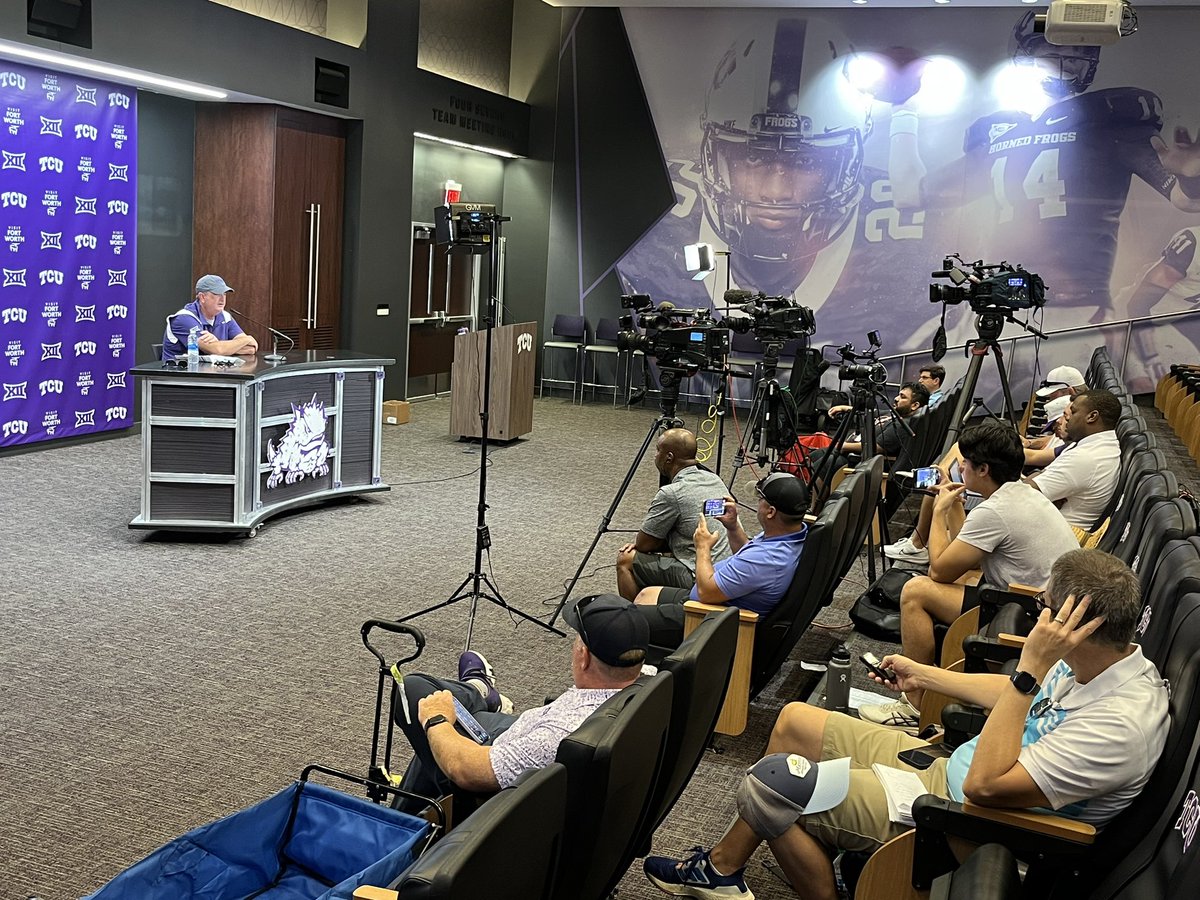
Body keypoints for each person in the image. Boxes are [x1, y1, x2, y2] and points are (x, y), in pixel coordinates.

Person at [642, 549, 1167, 900]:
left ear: (1077, 623)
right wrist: (927, 674)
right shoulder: (1096, 662)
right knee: (796, 721)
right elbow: (1013, 697)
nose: (1036, 618)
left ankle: (789, 877)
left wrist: (1028, 669)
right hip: (955, 771)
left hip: (968, 821)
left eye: (1045, 608)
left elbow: (986, 787)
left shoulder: (1119, 726)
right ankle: (775, 860)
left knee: (770, 784)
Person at [888, 10, 1200, 325]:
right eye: (1058, 49)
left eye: (1080, 52)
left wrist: (1191, 176)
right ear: (1030, 53)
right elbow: (909, 196)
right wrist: (903, 109)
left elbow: (1186, 199)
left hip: (1073, 313)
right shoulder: (1003, 131)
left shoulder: (1108, 122)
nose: (1069, 60)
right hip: (999, 308)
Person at [862, 421, 1078, 725]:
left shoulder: (995, 512)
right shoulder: (1022, 492)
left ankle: (914, 704)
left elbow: (939, 570)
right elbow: (968, 559)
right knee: (959, 579)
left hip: (1028, 614)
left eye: (965, 464)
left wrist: (939, 512)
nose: (960, 469)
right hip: (1037, 606)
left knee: (916, 591)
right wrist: (955, 510)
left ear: (983, 470)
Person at [394, 594, 649, 807]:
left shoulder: (558, 738)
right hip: (522, 729)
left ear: (584, 657)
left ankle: (478, 690)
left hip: (491, 777)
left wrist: (437, 720)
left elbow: (465, 770)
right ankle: (479, 690)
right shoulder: (648, 681)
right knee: (432, 740)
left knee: (415, 692)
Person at [631, 472, 809, 649]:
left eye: (760, 499)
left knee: (623, 622)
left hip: (709, 619)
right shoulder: (788, 534)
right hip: (720, 600)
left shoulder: (767, 558)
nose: (757, 503)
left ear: (771, 512)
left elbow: (706, 592)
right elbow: (747, 559)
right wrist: (732, 527)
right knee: (645, 595)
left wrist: (702, 547)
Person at [616, 428, 732, 601]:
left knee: (625, 559)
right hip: (726, 571)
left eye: (657, 450)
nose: (655, 456)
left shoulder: (672, 493)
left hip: (700, 576)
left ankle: (634, 620)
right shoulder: (715, 479)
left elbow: (644, 544)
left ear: (669, 457)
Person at [1026, 389, 1121, 530]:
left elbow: (1021, 494)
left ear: (1092, 416)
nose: (1067, 418)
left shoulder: (1086, 457)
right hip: (1050, 524)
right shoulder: (1099, 445)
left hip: (1052, 534)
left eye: (1074, 411)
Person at [161, 274, 259, 361]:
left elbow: (251, 348)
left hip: (211, 375)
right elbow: (217, 350)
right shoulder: (184, 318)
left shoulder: (225, 316)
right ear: (202, 297)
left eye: (224, 294)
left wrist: (220, 345)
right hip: (179, 377)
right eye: (217, 294)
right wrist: (246, 339)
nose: (222, 299)